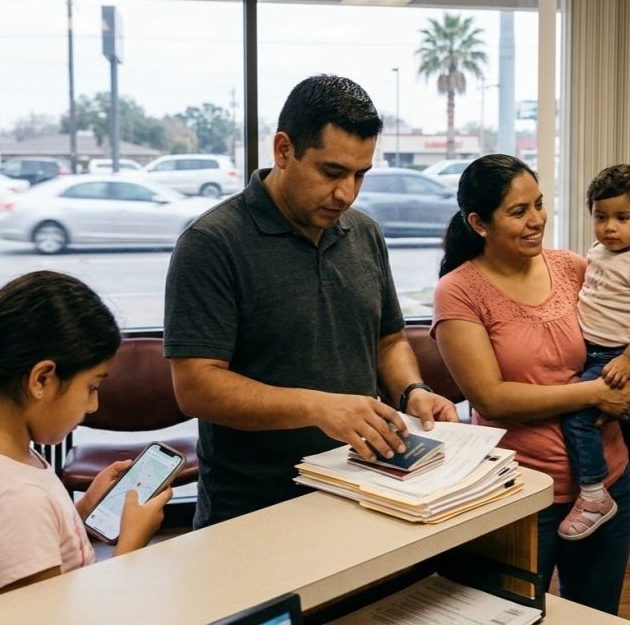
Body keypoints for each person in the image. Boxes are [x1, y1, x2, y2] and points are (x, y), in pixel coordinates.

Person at [163, 74, 458, 528]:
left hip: (362, 487)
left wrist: (411, 390)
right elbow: (196, 386)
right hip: (253, 508)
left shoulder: (363, 233)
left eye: (360, 175)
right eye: (332, 172)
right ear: (284, 150)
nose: (347, 193)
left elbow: (388, 341)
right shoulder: (211, 243)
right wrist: (320, 407)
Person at [432, 154, 630, 614]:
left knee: (596, 617)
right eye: (519, 212)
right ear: (479, 222)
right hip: (521, 494)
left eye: (539, 204)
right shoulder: (459, 291)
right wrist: (597, 393)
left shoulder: (574, 267)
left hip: (608, 486)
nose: (537, 220)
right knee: (516, 617)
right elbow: (491, 398)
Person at [0, 271, 170, 615]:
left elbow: (27, 556)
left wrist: (79, 513)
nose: (92, 405)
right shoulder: (13, 501)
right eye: (92, 386)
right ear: (41, 379)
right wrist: (131, 547)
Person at [556, 164, 630, 541]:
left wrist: (628, 359)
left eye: (623, 218)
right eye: (601, 217)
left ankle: (593, 494)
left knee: (576, 416)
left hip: (615, 353)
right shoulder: (597, 251)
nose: (610, 227)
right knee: (625, 415)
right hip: (594, 351)